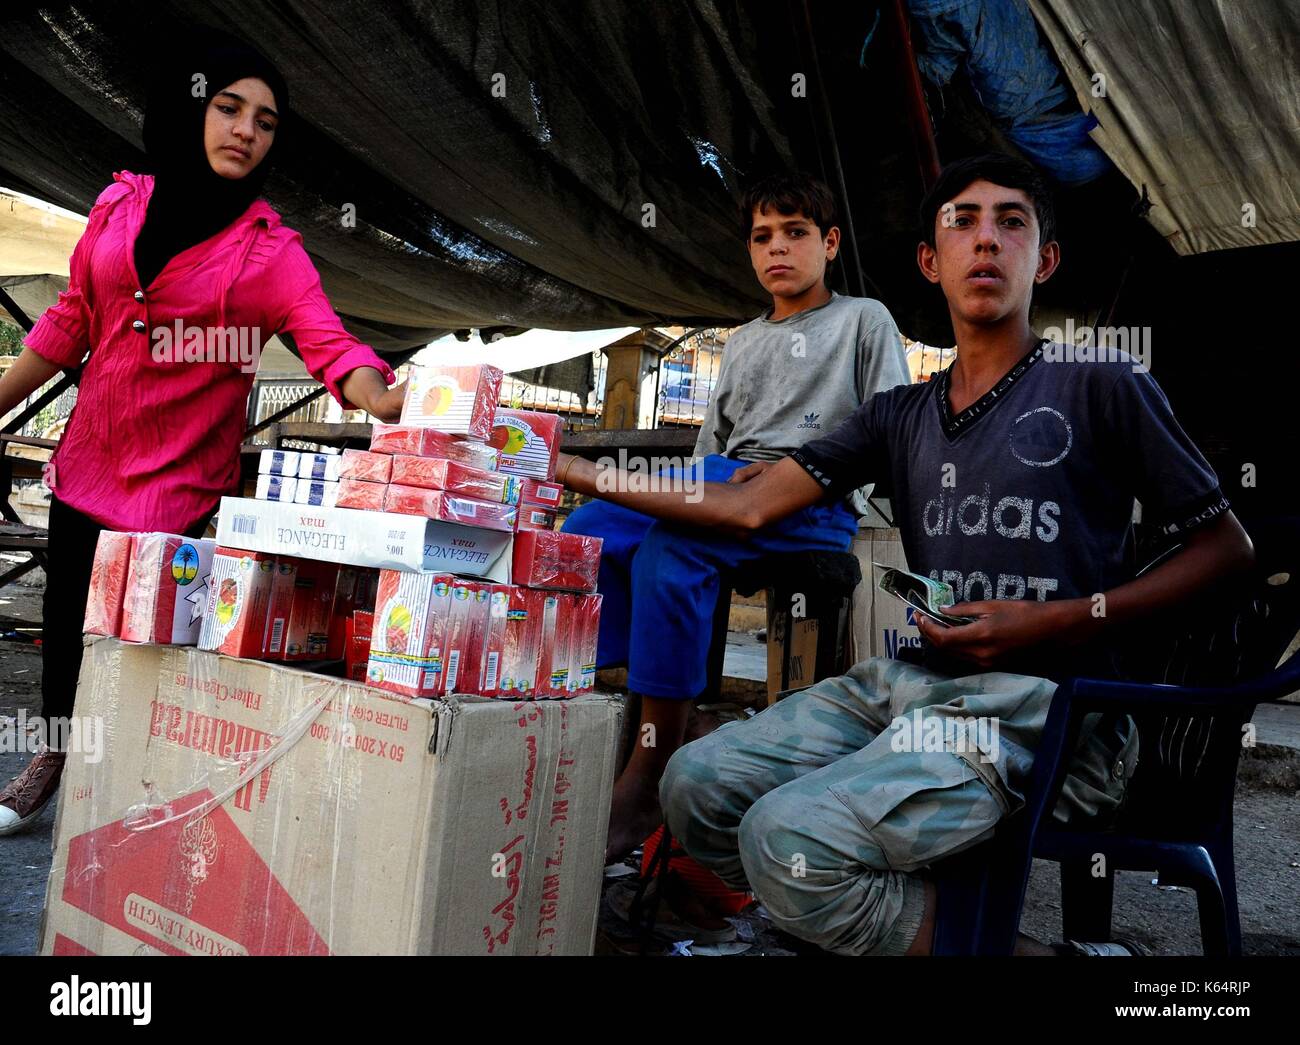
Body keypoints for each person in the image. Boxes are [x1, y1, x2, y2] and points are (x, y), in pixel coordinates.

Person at [554, 154, 1255, 954]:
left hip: (1051, 712)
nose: (985, 240)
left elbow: (1227, 551)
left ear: (1045, 260)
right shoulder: (899, 413)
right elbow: (746, 504)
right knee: (695, 785)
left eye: (1011, 222)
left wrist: (1055, 620)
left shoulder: (1098, 380)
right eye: (962, 222)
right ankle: (901, 920)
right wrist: (573, 467)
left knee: (790, 843)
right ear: (931, 261)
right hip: (911, 690)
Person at [0, 30, 405, 837]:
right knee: (69, 628)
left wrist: (385, 398)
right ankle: (51, 759)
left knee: (148, 642)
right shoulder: (121, 206)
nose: (247, 131)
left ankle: (131, 790)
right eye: (229, 108)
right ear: (193, 109)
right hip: (91, 461)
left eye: (265, 122)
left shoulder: (270, 252)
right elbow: (71, 318)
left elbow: (330, 344)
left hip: (179, 486)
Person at [561, 172, 910, 859]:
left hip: (811, 500)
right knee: (590, 530)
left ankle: (647, 774)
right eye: (762, 237)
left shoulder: (863, 319)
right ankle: (641, 705)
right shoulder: (744, 339)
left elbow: (890, 426)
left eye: (796, 232)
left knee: (670, 546)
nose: (777, 248)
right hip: (725, 481)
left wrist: (806, 468)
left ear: (830, 242)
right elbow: (710, 448)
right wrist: (712, 478)